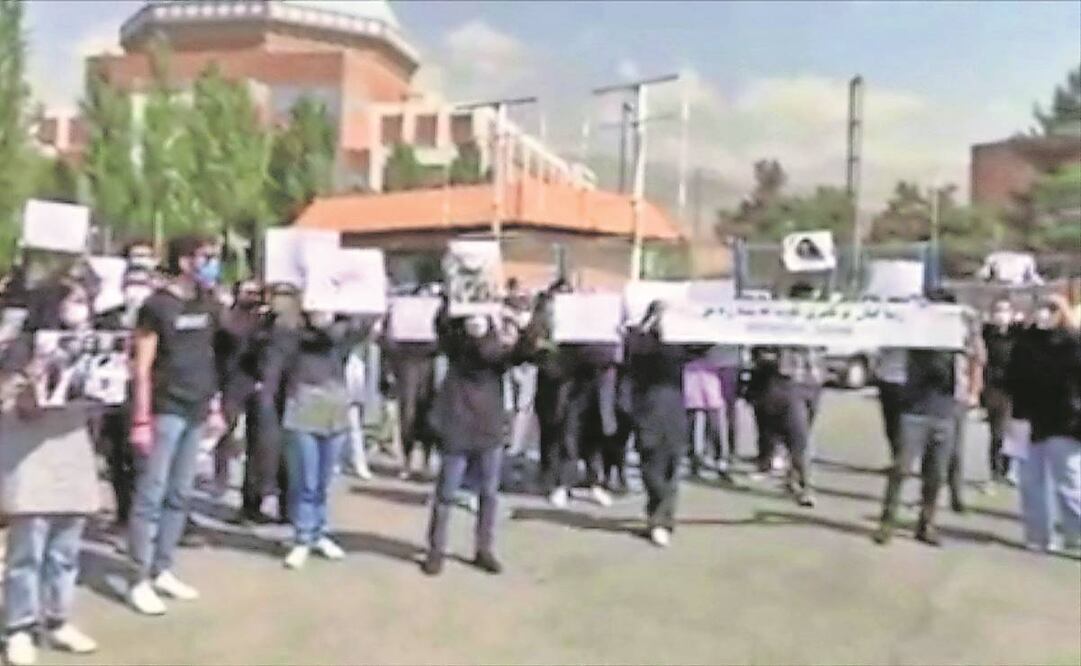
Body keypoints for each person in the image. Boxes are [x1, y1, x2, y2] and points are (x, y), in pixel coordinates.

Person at [0, 279, 101, 665]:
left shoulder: (89, 344)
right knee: (28, 549)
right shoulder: (19, 346)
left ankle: (57, 618)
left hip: (71, 451)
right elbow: (7, 396)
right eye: (73, 300)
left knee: (65, 547)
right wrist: (30, 377)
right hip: (29, 455)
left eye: (83, 299)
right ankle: (18, 626)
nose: (81, 307)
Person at [126, 235, 222, 616]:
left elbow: (209, 356)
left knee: (180, 493)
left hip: (197, 409)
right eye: (206, 256)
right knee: (151, 494)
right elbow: (142, 367)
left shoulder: (208, 303)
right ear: (185, 261)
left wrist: (214, 404)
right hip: (165, 410)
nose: (212, 262)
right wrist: (141, 418)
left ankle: (164, 566)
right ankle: (138, 577)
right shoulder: (156, 306)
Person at [422, 308, 523, 576]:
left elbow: (524, 352)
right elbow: (442, 326)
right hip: (457, 426)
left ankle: (484, 548)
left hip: (488, 429)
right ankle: (436, 550)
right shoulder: (457, 345)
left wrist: (521, 323)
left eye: (480, 320)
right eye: (471, 320)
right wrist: (454, 302)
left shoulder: (497, 351)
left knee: (489, 493)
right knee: (446, 493)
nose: (476, 324)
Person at [268, 309, 360, 570]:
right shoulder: (293, 333)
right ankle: (302, 537)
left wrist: (339, 315)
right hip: (304, 404)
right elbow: (280, 353)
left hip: (334, 406)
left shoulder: (341, 334)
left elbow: (364, 323)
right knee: (305, 479)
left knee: (323, 478)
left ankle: (319, 533)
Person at [873, 289, 966, 547]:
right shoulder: (916, 334)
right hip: (914, 410)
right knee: (900, 469)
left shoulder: (960, 337)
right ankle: (887, 521)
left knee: (935, 474)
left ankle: (927, 523)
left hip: (945, 411)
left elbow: (974, 358)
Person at [1007, 294, 1081, 554]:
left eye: (1051, 309)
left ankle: (1076, 534)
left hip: (1065, 421)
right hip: (1026, 419)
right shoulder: (1025, 343)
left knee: (1069, 482)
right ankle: (1038, 535)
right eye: (1040, 309)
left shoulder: (1074, 343)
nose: (1044, 315)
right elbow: (1011, 377)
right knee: (1030, 482)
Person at [624, 301, 690, 547]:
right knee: (652, 468)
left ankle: (662, 519)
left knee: (672, 468)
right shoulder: (639, 342)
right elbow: (639, 353)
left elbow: (701, 347)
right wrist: (653, 327)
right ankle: (658, 515)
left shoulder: (678, 345)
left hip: (674, 413)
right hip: (647, 412)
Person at [95, 267, 154, 530]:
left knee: (144, 461)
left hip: (145, 395)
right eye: (132, 283)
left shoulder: (154, 316)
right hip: (114, 396)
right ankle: (123, 512)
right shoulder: (108, 318)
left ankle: (144, 516)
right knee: (116, 457)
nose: (136, 289)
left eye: (142, 283)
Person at [212, 280, 270, 519]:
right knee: (224, 435)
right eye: (248, 292)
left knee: (260, 442)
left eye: (257, 293)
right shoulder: (229, 318)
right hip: (231, 381)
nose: (253, 297)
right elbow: (228, 337)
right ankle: (221, 481)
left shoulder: (267, 320)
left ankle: (252, 501)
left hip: (258, 383)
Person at [683, 345, 737, 483]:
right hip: (697, 388)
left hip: (711, 391)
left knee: (716, 429)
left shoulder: (715, 357)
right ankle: (696, 464)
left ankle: (720, 464)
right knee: (697, 430)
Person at [981, 297, 1019, 485]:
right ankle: (996, 470)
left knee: (1011, 433)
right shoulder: (986, 334)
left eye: (1005, 310)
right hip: (993, 388)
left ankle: (1007, 469)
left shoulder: (1017, 336)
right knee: (997, 433)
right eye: (998, 310)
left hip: (1012, 388)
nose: (1001, 315)